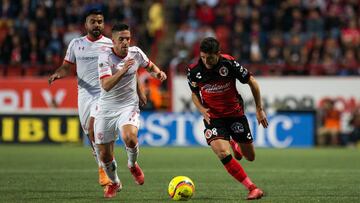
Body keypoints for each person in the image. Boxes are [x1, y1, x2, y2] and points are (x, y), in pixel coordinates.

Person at [48, 9, 146, 187]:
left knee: (95, 128)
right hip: (85, 94)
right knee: (90, 133)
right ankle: (103, 165)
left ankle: (105, 170)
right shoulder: (76, 44)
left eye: (100, 21)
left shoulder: (112, 43)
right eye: (93, 21)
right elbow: (65, 66)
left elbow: (130, 69)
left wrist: (139, 91)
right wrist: (58, 74)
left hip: (106, 93)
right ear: (86, 24)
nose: (97, 25)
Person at [186, 37, 268, 200]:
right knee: (223, 153)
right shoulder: (194, 70)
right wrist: (202, 110)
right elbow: (194, 94)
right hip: (213, 116)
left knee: (250, 157)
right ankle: (252, 188)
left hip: (235, 114)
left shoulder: (229, 64)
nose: (206, 61)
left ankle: (234, 142)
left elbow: (252, 82)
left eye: (210, 57)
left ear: (218, 54)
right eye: (203, 57)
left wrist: (259, 109)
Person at [95, 23, 166, 198]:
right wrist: (123, 69)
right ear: (113, 41)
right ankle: (115, 182)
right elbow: (106, 86)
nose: (126, 42)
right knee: (104, 155)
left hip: (128, 105)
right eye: (121, 39)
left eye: (128, 38)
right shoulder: (105, 57)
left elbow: (149, 66)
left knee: (130, 137)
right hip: (106, 108)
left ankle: (132, 165)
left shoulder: (136, 53)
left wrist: (158, 73)